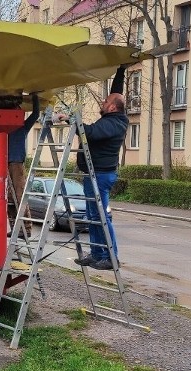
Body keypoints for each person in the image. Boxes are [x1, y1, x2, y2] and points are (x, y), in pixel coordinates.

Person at [73, 65, 128, 270]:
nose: (102, 102)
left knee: (101, 217)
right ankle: (97, 254)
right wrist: (121, 70)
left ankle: (110, 257)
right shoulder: (113, 116)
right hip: (94, 174)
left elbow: (91, 132)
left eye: (105, 102)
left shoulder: (114, 123)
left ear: (113, 107)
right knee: (94, 217)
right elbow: (117, 93)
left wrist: (71, 120)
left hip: (101, 176)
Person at [7, 93, 39, 238]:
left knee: (19, 197)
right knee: (10, 199)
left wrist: (35, 98)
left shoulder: (21, 126)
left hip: (17, 164)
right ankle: (14, 227)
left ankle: (26, 229)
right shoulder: (8, 127)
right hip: (7, 163)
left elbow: (36, 114)